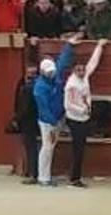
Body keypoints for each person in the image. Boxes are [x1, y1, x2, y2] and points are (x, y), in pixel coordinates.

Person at [64, 39, 106, 188]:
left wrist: (99, 47)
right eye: (79, 70)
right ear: (73, 71)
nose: (82, 72)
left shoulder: (84, 77)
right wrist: (83, 110)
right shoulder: (71, 85)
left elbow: (92, 63)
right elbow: (68, 104)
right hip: (75, 119)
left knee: (80, 149)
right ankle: (74, 178)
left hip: (83, 118)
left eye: (82, 70)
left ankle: (75, 177)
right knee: (78, 149)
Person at [34, 38, 75, 187]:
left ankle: (44, 176)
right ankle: (43, 177)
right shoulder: (40, 88)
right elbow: (44, 109)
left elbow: (62, 62)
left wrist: (70, 45)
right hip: (48, 122)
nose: (53, 74)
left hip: (57, 118)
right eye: (50, 73)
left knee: (50, 146)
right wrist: (53, 124)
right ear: (44, 72)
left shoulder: (54, 75)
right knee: (48, 147)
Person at [14, 64, 40, 185]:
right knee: (30, 147)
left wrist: (16, 118)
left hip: (29, 120)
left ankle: (33, 173)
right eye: (29, 72)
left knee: (31, 147)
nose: (31, 75)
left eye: (33, 73)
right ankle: (31, 171)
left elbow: (24, 107)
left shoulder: (30, 87)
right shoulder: (22, 84)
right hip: (28, 120)